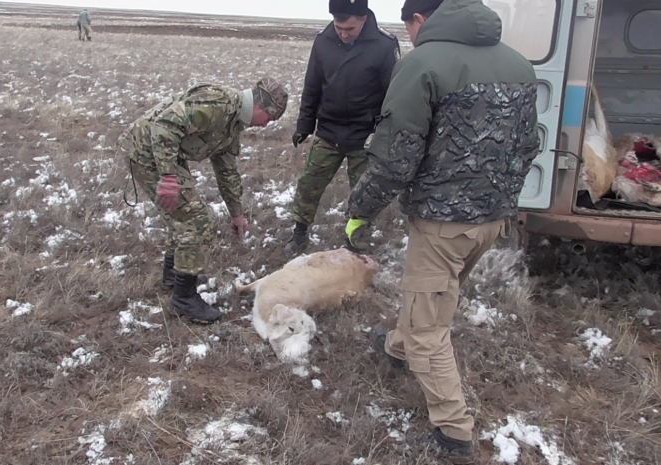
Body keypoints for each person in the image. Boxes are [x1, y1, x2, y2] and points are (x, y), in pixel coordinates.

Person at [345, 0, 539, 462]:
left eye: (407, 25)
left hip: (442, 225)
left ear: (419, 20)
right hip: (492, 222)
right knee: (436, 296)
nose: (409, 34)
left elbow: (395, 158)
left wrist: (360, 211)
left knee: (430, 327)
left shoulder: (422, 64)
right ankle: (396, 346)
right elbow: (530, 143)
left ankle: (453, 428)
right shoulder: (519, 64)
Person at [118, 79, 288, 324]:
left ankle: (173, 276)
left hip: (166, 154)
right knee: (196, 220)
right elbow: (164, 125)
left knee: (185, 217)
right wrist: (167, 177)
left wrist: (236, 214)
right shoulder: (218, 103)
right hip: (147, 151)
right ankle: (183, 298)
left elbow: (227, 170)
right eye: (270, 119)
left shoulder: (232, 126)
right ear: (263, 108)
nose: (266, 126)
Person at [284, 0, 400, 257]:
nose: (343, 34)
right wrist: (305, 124)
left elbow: (392, 96)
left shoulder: (384, 45)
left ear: (364, 20)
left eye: (349, 28)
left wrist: (384, 135)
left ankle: (355, 240)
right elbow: (312, 86)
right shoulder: (323, 41)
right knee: (309, 185)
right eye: (339, 27)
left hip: (365, 135)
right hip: (328, 130)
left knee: (363, 193)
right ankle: (300, 232)